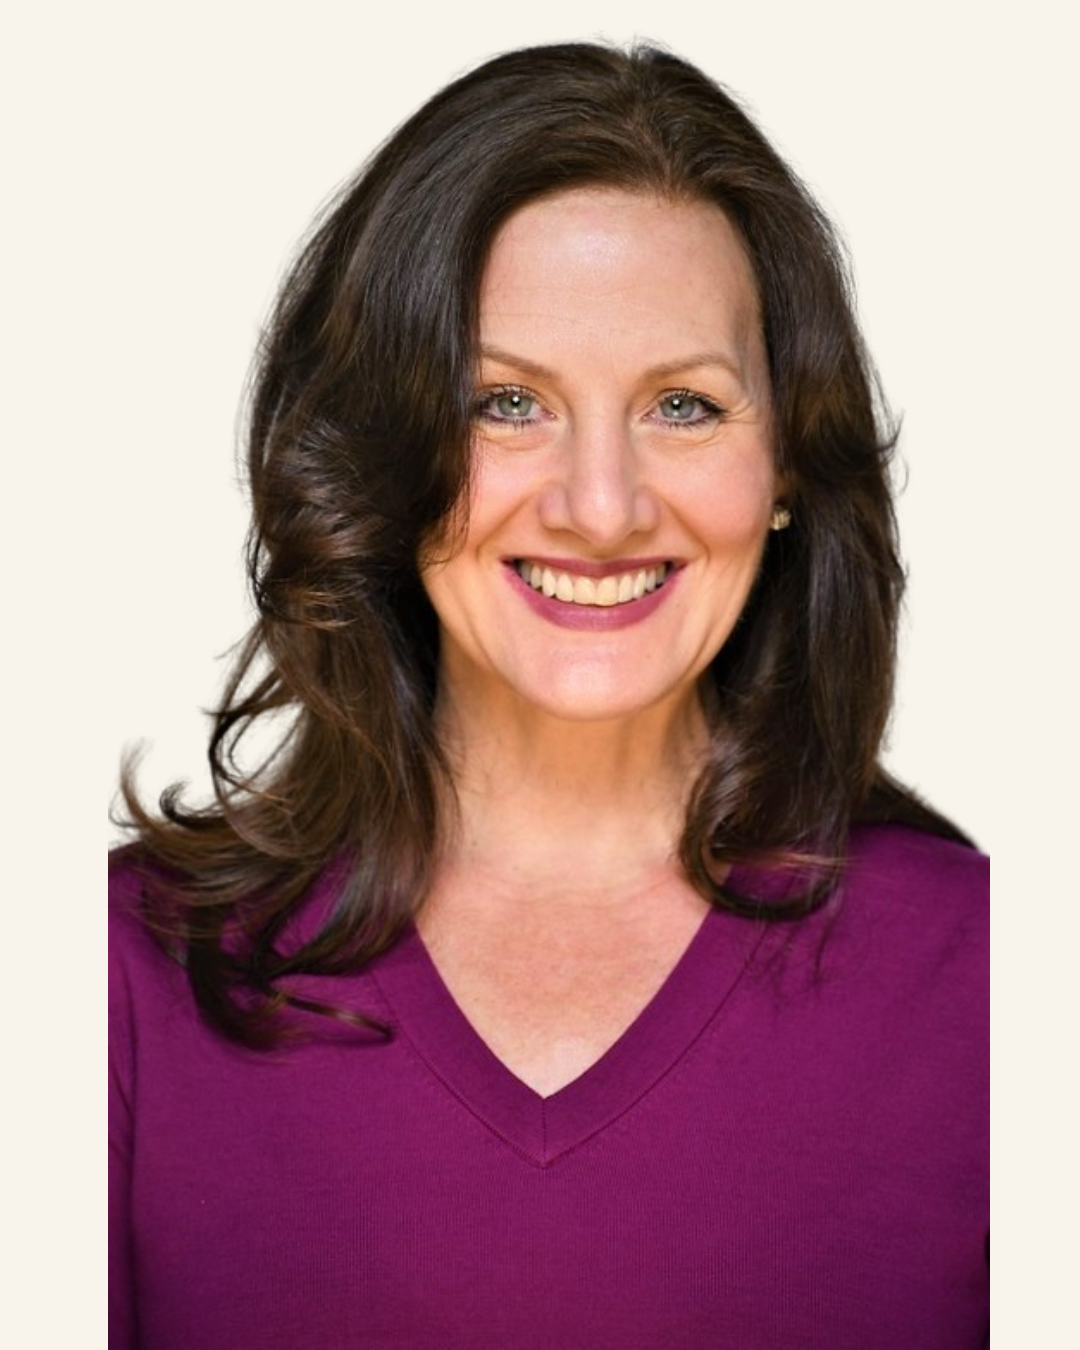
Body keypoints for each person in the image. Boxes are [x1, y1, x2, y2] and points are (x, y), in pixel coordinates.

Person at [109, 41, 989, 1349]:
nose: (599, 506)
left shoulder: (996, 983)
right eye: (507, 401)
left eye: (683, 405)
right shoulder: (117, 984)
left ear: (790, 465)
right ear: (386, 450)